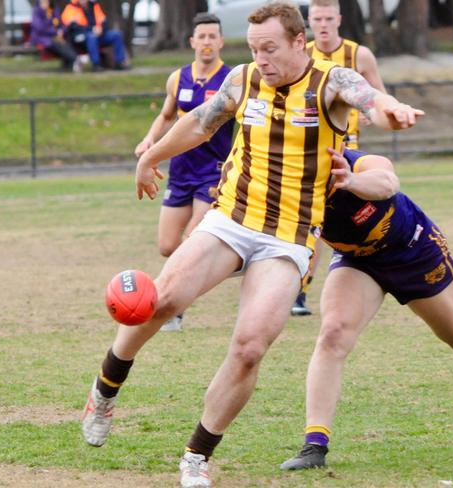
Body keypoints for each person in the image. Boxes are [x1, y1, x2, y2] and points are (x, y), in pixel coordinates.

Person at [80, 3, 423, 487]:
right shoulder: (242, 80)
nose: (260, 58)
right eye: (255, 48)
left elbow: (370, 100)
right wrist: (150, 157)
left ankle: (196, 457)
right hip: (232, 220)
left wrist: (392, 110)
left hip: (290, 240)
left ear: (298, 43)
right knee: (163, 302)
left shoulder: (331, 83)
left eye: (270, 49)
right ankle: (105, 391)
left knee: (249, 348)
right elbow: (200, 122)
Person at [280, 148, 453, 470]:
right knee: (333, 334)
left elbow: (387, 182)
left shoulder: (351, 160)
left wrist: (351, 180)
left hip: (414, 249)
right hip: (358, 261)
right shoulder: (283, 181)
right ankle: (314, 445)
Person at [134, 13, 233, 332]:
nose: (206, 42)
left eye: (212, 37)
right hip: (181, 170)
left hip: (214, 171)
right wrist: (150, 139)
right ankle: (209, 269)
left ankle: (173, 306)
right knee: (166, 245)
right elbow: (165, 116)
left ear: (221, 41)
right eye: (201, 37)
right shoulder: (178, 78)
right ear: (192, 42)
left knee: (192, 238)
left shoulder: (232, 79)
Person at [291, 0, 387, 317]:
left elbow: (378, 93)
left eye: (328, 18)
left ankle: (373, 272)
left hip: (348, 148)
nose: (322, 25)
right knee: (314, 220)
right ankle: (299, 292)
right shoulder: (300, 52)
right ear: (309, 20)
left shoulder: (359, 54)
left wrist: (376, 111)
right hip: (311, 147)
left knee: (352, 215)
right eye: (316, 19)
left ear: (339, 19)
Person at [61, 0, 129, 71]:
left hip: (98, 34)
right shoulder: (70, 8)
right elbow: (73, 27)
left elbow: (103, 20)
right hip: (81, 38)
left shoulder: (94, 6)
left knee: (117, 35)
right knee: (91, 37)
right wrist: (91, 29)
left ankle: (119, 62)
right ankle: (96, 64)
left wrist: (101, 29)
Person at [30, 0, 79, 72]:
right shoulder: (37, 11)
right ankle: (74, 59)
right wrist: (55, 32)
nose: (45, 4)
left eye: (46, 2)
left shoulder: (52, 10)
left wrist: (61, 30)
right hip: (42, 37)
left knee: (67, 39)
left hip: (55, 36)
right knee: (56, 43)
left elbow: (61, 24)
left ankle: (70, 62)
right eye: (43, 2)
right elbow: (39, 28)